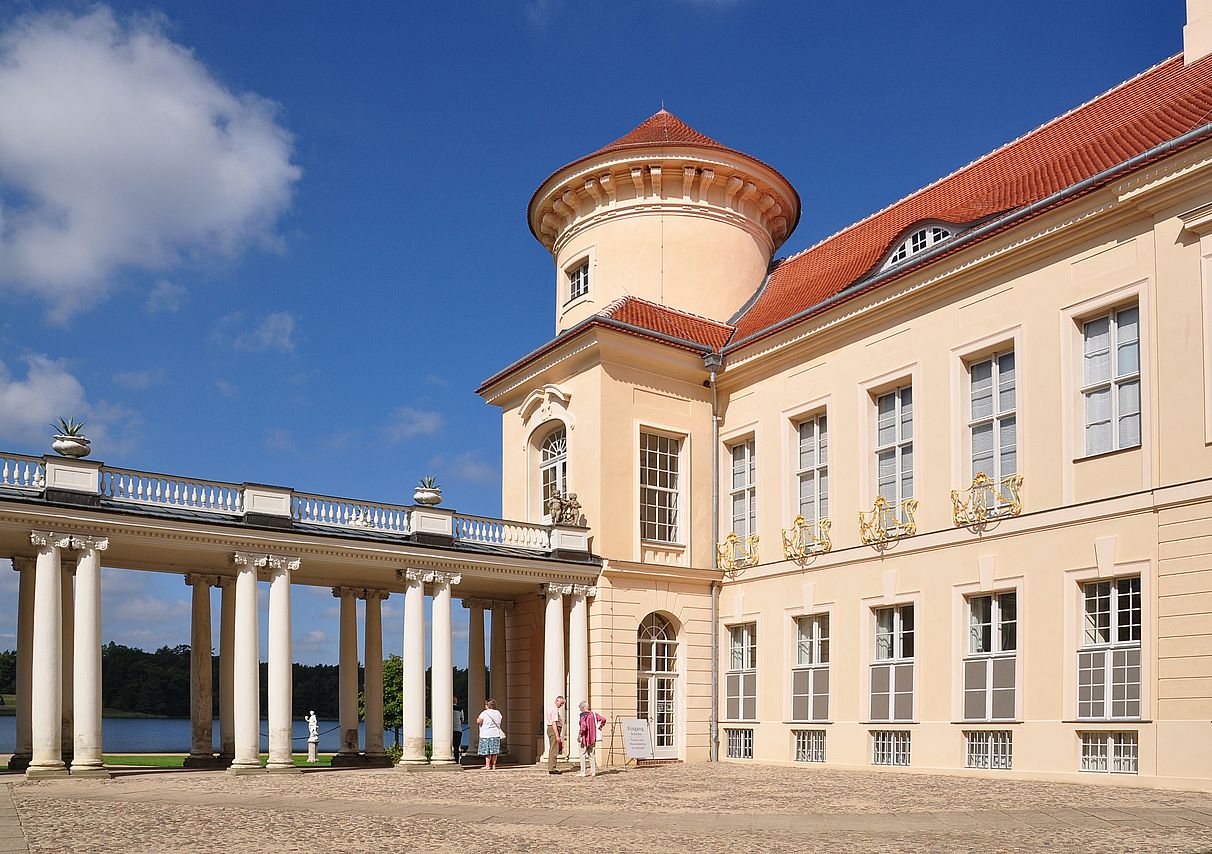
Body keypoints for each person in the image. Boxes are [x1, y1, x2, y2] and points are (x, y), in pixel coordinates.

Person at [576, 700, 606, 778]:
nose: (580, 710)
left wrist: (579, 734)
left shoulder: (583, 715)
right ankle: (593, 772)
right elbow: (603, 719)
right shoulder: (593, 714)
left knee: (582, 755)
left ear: (583, 708)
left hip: (584, 737)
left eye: (580, 708)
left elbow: (583, 726)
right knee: (592, 755)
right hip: (592, 737)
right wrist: (600, 726)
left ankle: (583, 772)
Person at [476, 699, 504, 770]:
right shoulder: (498, 712)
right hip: (495, 734)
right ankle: (494, 765)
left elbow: (478, 720)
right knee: (494, 751)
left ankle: (487, 765)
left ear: (486, 706)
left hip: (486, 734)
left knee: (487, 751)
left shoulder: (484, 713)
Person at [546, 695, 566, 774]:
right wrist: (558, 736)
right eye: (561, 703)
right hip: (554, 729)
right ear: (557, 700)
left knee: (553, 748)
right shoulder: (554, 709)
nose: (561, 705)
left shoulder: (551, 707)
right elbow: (554, 723)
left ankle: (552, 767)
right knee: (554, 749)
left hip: (552, 729)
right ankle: (552, 768)